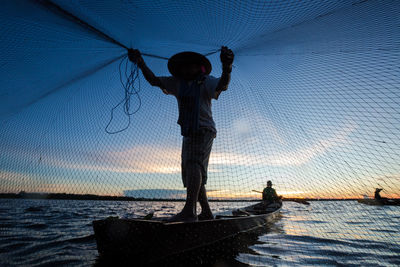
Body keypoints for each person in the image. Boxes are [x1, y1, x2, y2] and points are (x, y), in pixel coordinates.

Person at [128, 46, 234, 222]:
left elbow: (223, 84)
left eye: (189, 66)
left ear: (199, 67)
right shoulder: (177, 83)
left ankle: (189, 212)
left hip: (204, 129)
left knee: (194, 165)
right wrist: (140, 62)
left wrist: (227, 66)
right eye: (183, 67)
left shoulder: (205, 81)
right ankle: (206, 212)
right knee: (193, 171)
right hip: (188, 132)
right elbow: (154, 80)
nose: (186, 69)